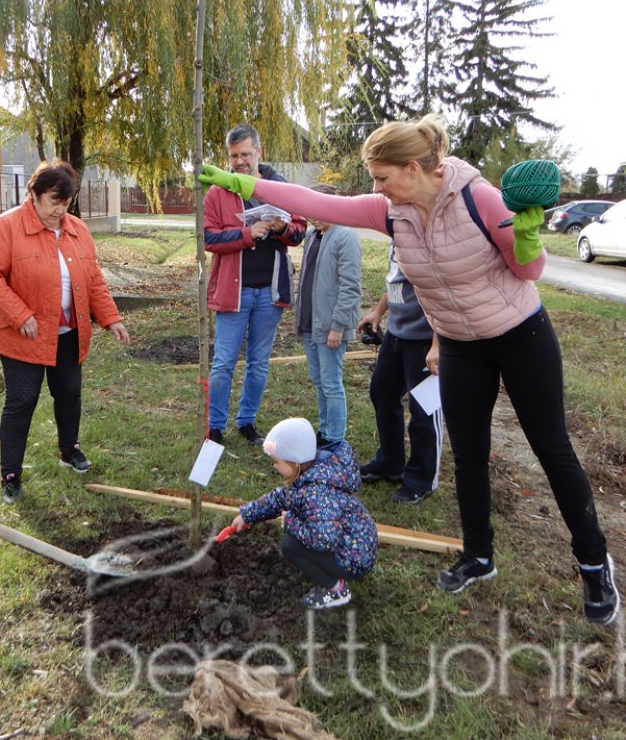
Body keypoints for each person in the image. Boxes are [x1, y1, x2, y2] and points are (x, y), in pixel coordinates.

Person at [200, 114, 620, 625]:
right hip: (462, 345)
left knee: (551, 449)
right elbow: (319, 204)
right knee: (467, 453)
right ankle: (478, 555)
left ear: (416, 168)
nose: (376, 189)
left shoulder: (478, 198)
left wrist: (529, 241)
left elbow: (528, 271)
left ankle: (595, 564)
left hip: (519, 335)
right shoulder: (392, 211)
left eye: (382, 177)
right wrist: (244, 183)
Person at [0, 160, 130, 503]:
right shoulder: (6, 226)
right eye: (52, 202)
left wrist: (111, 318)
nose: (59, 211)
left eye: (65, 203)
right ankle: (11, 474)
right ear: (33, 194)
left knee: (70, 391)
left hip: (67, 331)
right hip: (22, 334)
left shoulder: (77, 229)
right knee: (22, 400)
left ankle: (69, 449)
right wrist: (19, 314)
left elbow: (94, 280)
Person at [204, 124, 306, 447]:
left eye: (246, 154)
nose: (239, 162)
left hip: (269, 292)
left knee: (259, 364)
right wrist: (248, 234)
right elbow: (208, 238)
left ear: (259, 153)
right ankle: (215, 427)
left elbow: (299, 231)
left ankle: (246, 422)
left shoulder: (279, 187)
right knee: (222, 364)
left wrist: (279, 228)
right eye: (234, 156)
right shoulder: (217, 192)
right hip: (232, 294)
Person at [230, 417, 377, 609]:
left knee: (290, 545)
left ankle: (337, 589)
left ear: (295, 463)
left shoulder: (316, 494)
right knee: (295, 536)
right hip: (352, 545)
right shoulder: (309, 477)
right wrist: (247, 515)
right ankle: (328, 569)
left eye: (276, 462)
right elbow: (278, 499)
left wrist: (292, 523)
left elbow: (324, 540)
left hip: (355, 558)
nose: (274, 466)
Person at [359, 244, 444, 505]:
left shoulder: (431, 242)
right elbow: (395, 282)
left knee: (424, 410)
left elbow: (447, 295)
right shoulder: (398, 236)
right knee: (382, 392)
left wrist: (438, 344)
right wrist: (378, 311)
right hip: (397, 333)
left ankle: (422, 478)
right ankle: (391, 462)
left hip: (425, 340)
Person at [295, 184, 362, 447]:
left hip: (330, 326)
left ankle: (334, 437)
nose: (314, 215)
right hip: (312, 323)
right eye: (311, 209)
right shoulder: (313, 235)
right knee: (319, 381)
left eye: (320, 208)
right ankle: (324, 430)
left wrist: (338, 326)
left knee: (331, 382)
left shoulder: (345, 236)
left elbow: (350, 286)